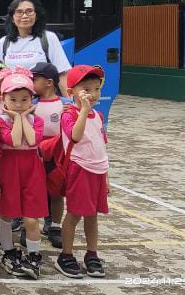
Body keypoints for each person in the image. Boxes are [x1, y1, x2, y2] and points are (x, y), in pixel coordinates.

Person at [0, 67, 47, 280]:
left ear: (32, 99)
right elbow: (15, 141)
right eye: (13, 99)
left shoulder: (38, 120)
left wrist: (23, 117)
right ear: (3, 99)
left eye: (24, 99)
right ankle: (9, 252)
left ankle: (34, 256)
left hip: (32, 170)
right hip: (9, 169)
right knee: (6, 214)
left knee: (31, 219)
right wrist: (17, 118)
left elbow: (32, 141)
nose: (18, 104)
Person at [56, 65, 109, 279]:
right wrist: (84, 111)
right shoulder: (69, 114)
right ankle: (66, 255)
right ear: (71, 93)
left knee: (92, 214)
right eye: (86, 89)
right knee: (75, 213)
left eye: (96, 89)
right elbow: (75, 137)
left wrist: (106, 177)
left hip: (98, 170)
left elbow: (101, 146)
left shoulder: (98, 116)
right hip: (79, 169)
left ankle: (91, 254)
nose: (93, 94)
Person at [0, 0, 72, 88]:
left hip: (42, 99)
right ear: (12, 18)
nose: (24, 16)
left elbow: (62, 73)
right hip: (14, 99)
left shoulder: (49, 38)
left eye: (29, 11)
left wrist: (69, 101)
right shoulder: (3, 43)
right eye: (19, 12)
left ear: (36, 15)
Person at [31, 62, 68, 248]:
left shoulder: (64, 105)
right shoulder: (31, 104)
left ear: (49, 82)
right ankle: (30, 226)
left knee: (56, 192)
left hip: (56, 154)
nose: (31, 83)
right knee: (33, 191)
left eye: (35, 79)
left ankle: (55, 226)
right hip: (35, 152)